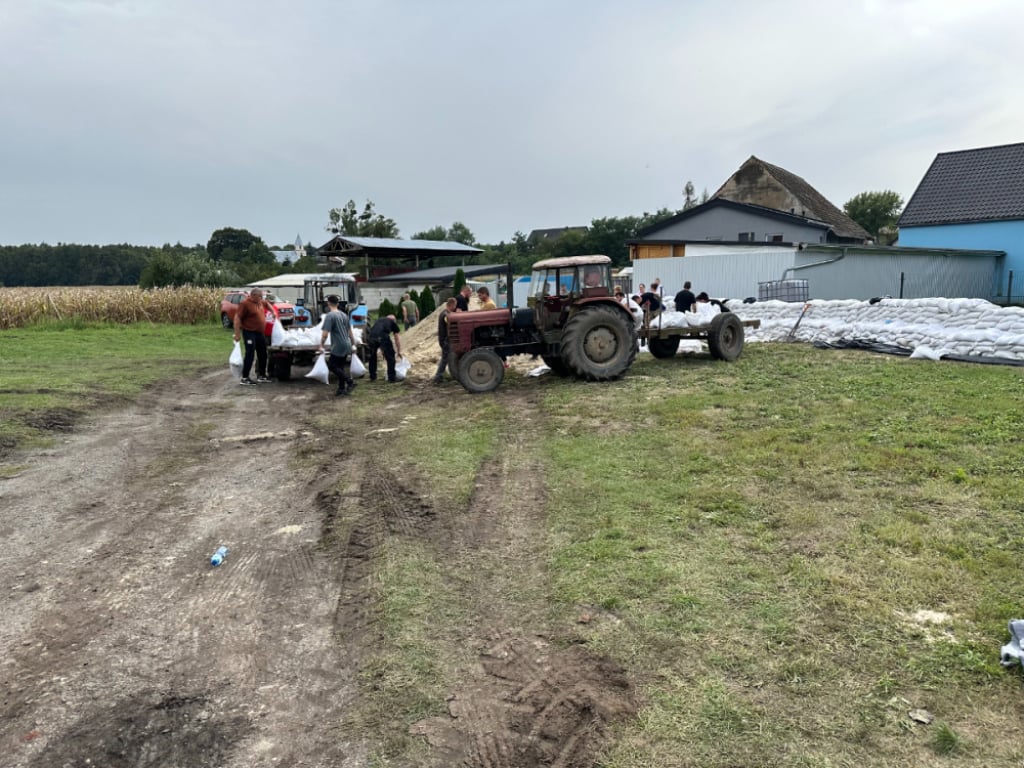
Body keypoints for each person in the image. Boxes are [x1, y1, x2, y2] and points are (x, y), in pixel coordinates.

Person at [233, 288, 274, 385]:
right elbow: (237, 318)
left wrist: (273, 312)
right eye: (259, 296)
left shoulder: (259, 302)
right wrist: (237, 334)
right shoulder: (245, 304)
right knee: (250, 354)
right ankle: (245, 377)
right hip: (249, 332)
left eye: (261, 296)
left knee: (263, 353)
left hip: (259, 333)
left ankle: (262, 375)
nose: (261, 298)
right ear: (253, 295)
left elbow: (267, 304)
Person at [317, 295, 356, 397]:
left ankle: (349, 381)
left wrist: (321, 345)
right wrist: (353, 344)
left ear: (328, 303)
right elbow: (350, 332)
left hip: (338, 345)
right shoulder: (344, 315)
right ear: (338, 304)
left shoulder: (330, 316)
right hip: (347, 343)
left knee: (332, 366)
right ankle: (341, 389)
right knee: (340, 367)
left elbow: (325, 334)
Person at [367, 313, 403, 382]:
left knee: (372, 357)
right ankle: (391, 378)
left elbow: (377, 331)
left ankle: (372, 376)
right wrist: (399, 351)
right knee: (391, 358)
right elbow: (397, 338)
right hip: (383, 337)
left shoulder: (379, 320)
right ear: (394, 320)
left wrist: (383, 349)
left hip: (371, 337)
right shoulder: (392, 322)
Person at [432, 297, 458, 384]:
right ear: (452, 305)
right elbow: (448, 325)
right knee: (445, 359)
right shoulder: (446, 315)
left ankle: (445, 375)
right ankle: (438, 377)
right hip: (445, 340)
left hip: (444, 340)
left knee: (447, 358)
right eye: (455, 306)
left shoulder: (444, 313)